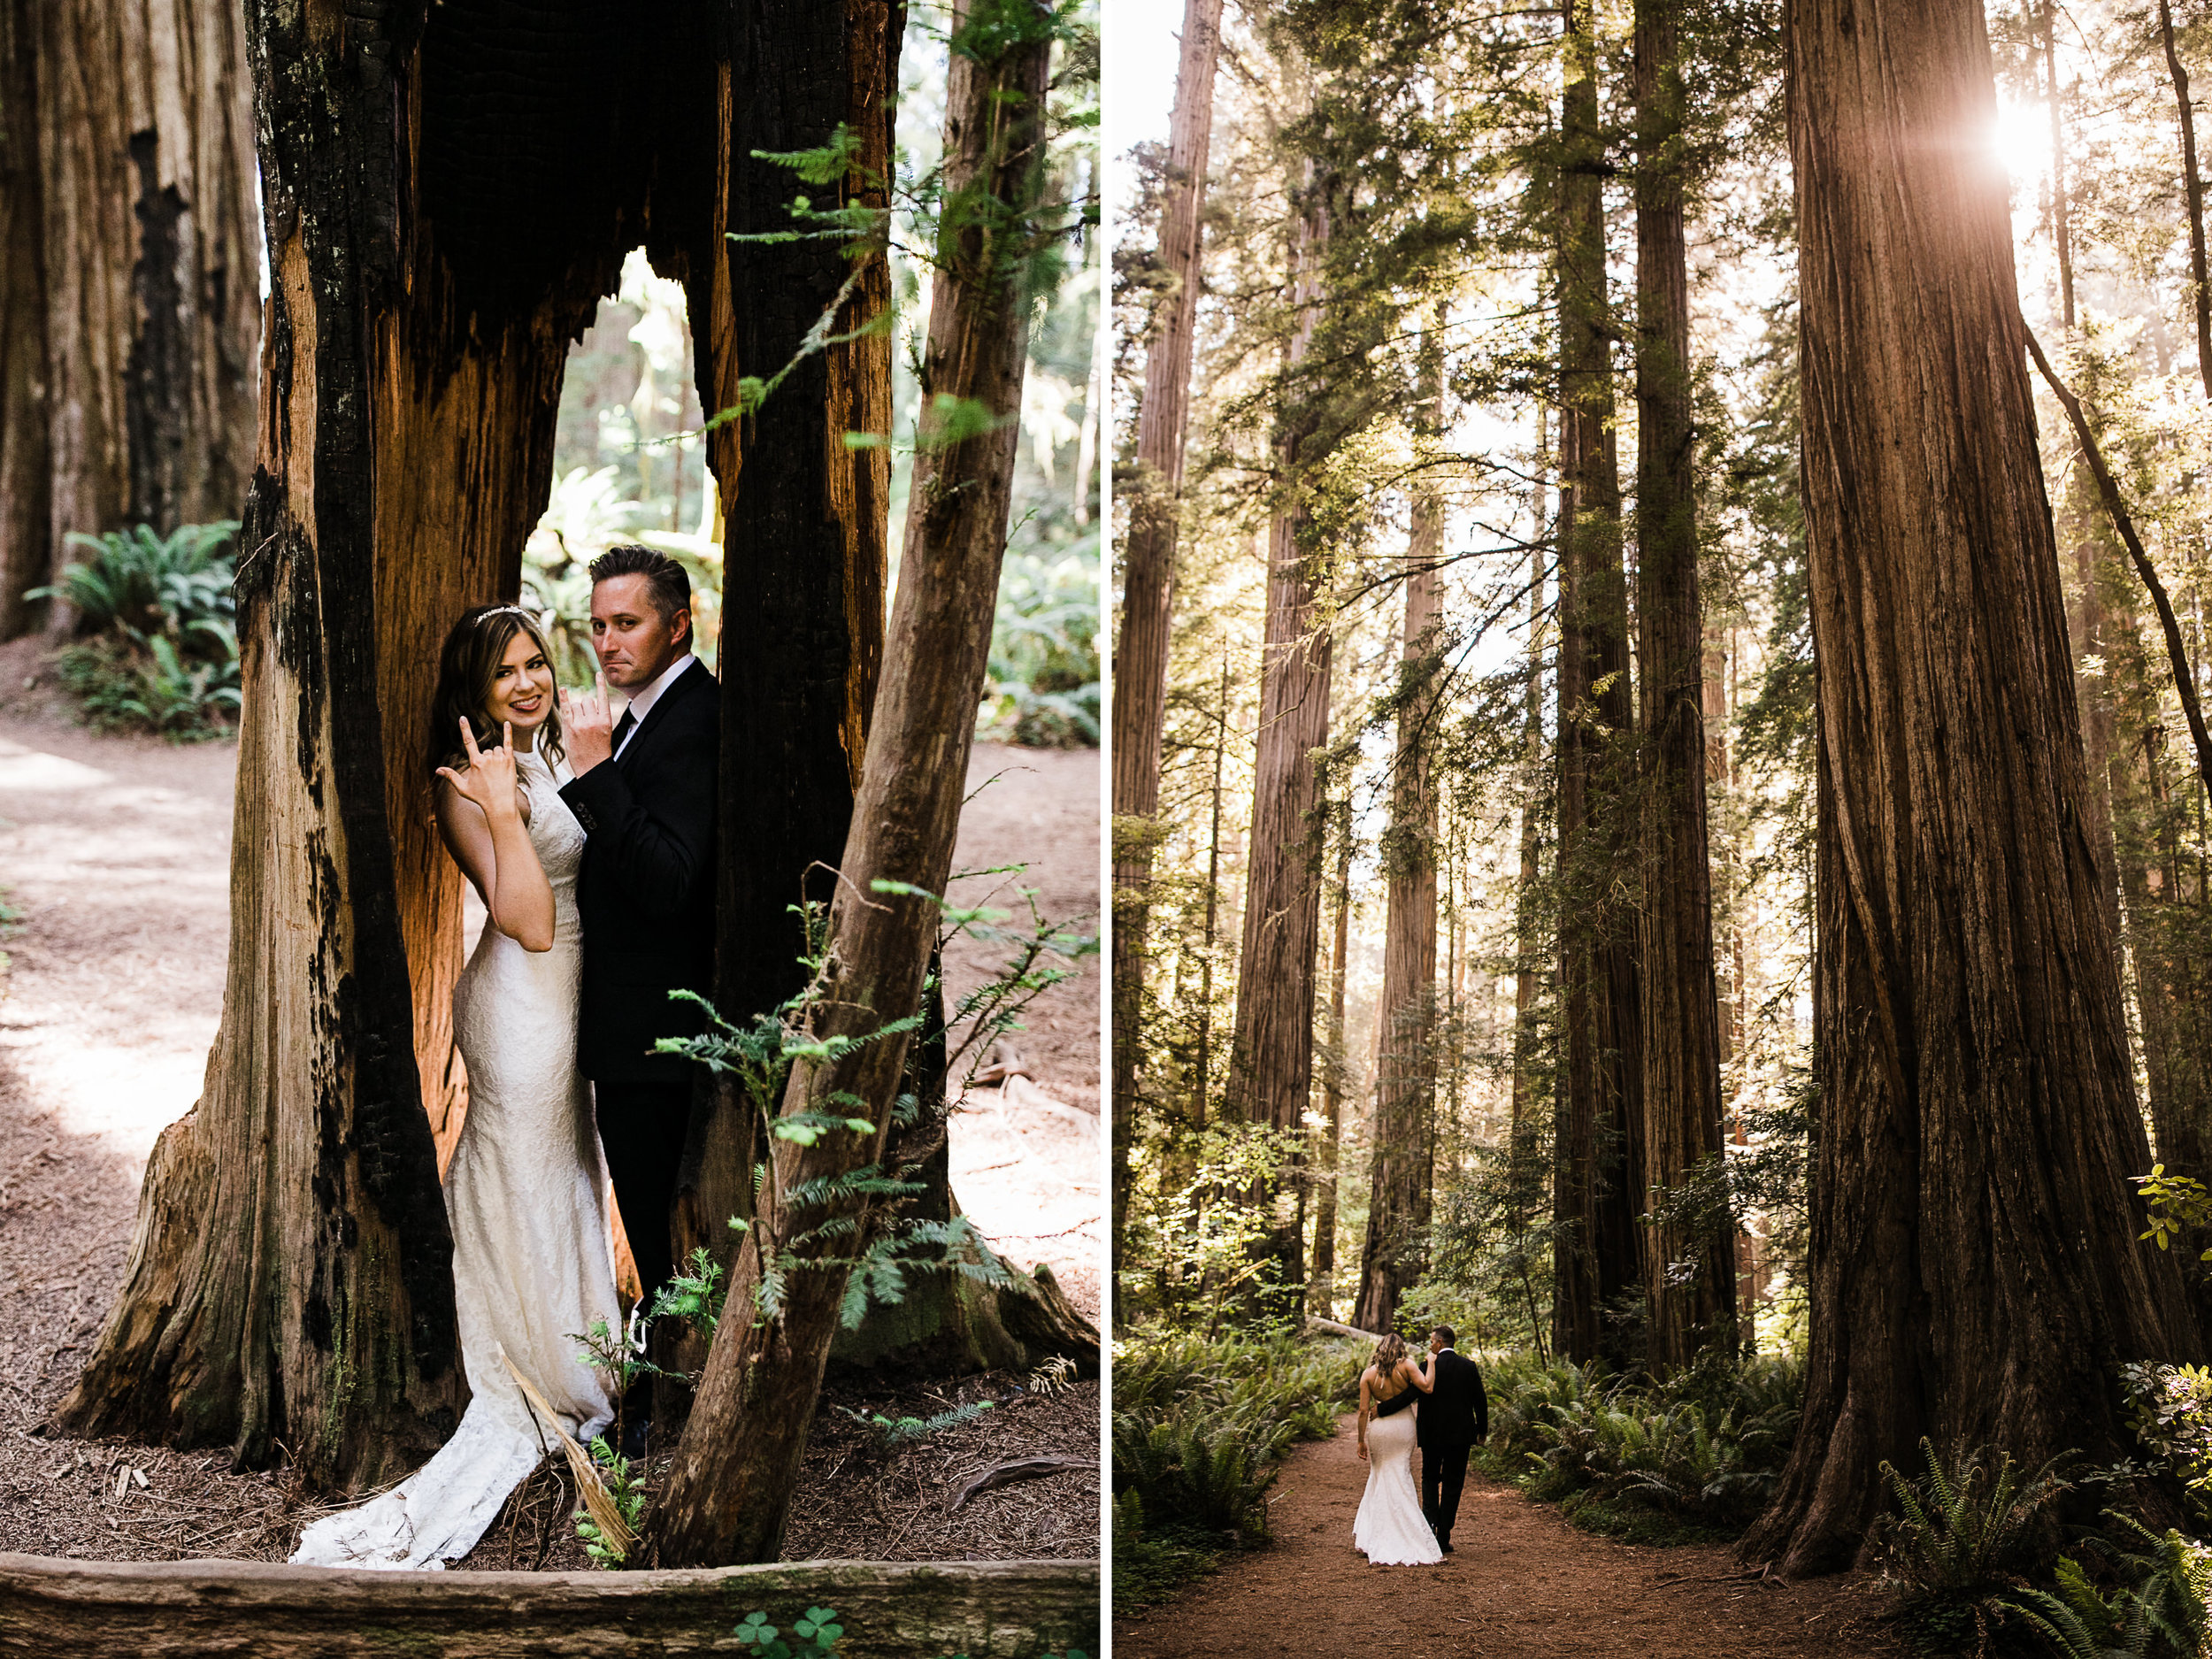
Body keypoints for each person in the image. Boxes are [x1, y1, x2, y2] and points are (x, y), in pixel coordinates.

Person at [292, 606, 621, 1570]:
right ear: (472, 691)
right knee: (529, 1173)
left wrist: (581, 768)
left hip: (566, 1002)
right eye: (505, 673)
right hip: (522, 1007)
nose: (528, 683)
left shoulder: (543, 754)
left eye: (537, 665)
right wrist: (507, 808)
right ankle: (544, 1365)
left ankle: (580, 1339)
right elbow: (525, 919)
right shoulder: (463, 787)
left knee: (563, 1168)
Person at [556, 544, 719, 1457]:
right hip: (627, 1022)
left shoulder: (695, 721)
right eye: (600, 624)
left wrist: (594, 772)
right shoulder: (645, 714)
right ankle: (658, 1396)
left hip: (658, 1029)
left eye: (629, 623)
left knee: (658, 1228)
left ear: (676, 624)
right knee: (648, 1218)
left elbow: (667, 881)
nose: (609, 642)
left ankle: (661, 1411)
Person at [1353, 1333, 1440, 1565]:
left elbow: (1363, 1411)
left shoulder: (1368, 1374)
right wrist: (1431, 1363)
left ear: (1379, 1349)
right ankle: (1408, 1531)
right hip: (1403, 1425)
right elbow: (1428, 1388)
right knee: (1400, 1473)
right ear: (1401, 1348)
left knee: (1380, 1474)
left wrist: (1361, 1439)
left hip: (1380, 1429)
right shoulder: (1408, 1366)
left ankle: (1373, 1534)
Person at [1414, 1324, 1488, 1553]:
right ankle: (1443, 1536)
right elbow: (1480, 1401)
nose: (1430, 1345)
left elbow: (1414, 1396)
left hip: (1432, 1435)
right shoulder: (1468, 1366)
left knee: (1429, 1479)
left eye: (1431, 1341)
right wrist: (1481, 1431)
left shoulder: (1426, 1366)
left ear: (1439, 1342)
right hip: (1460, 1436)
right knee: (1453, 1484)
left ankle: (1429, 1530)